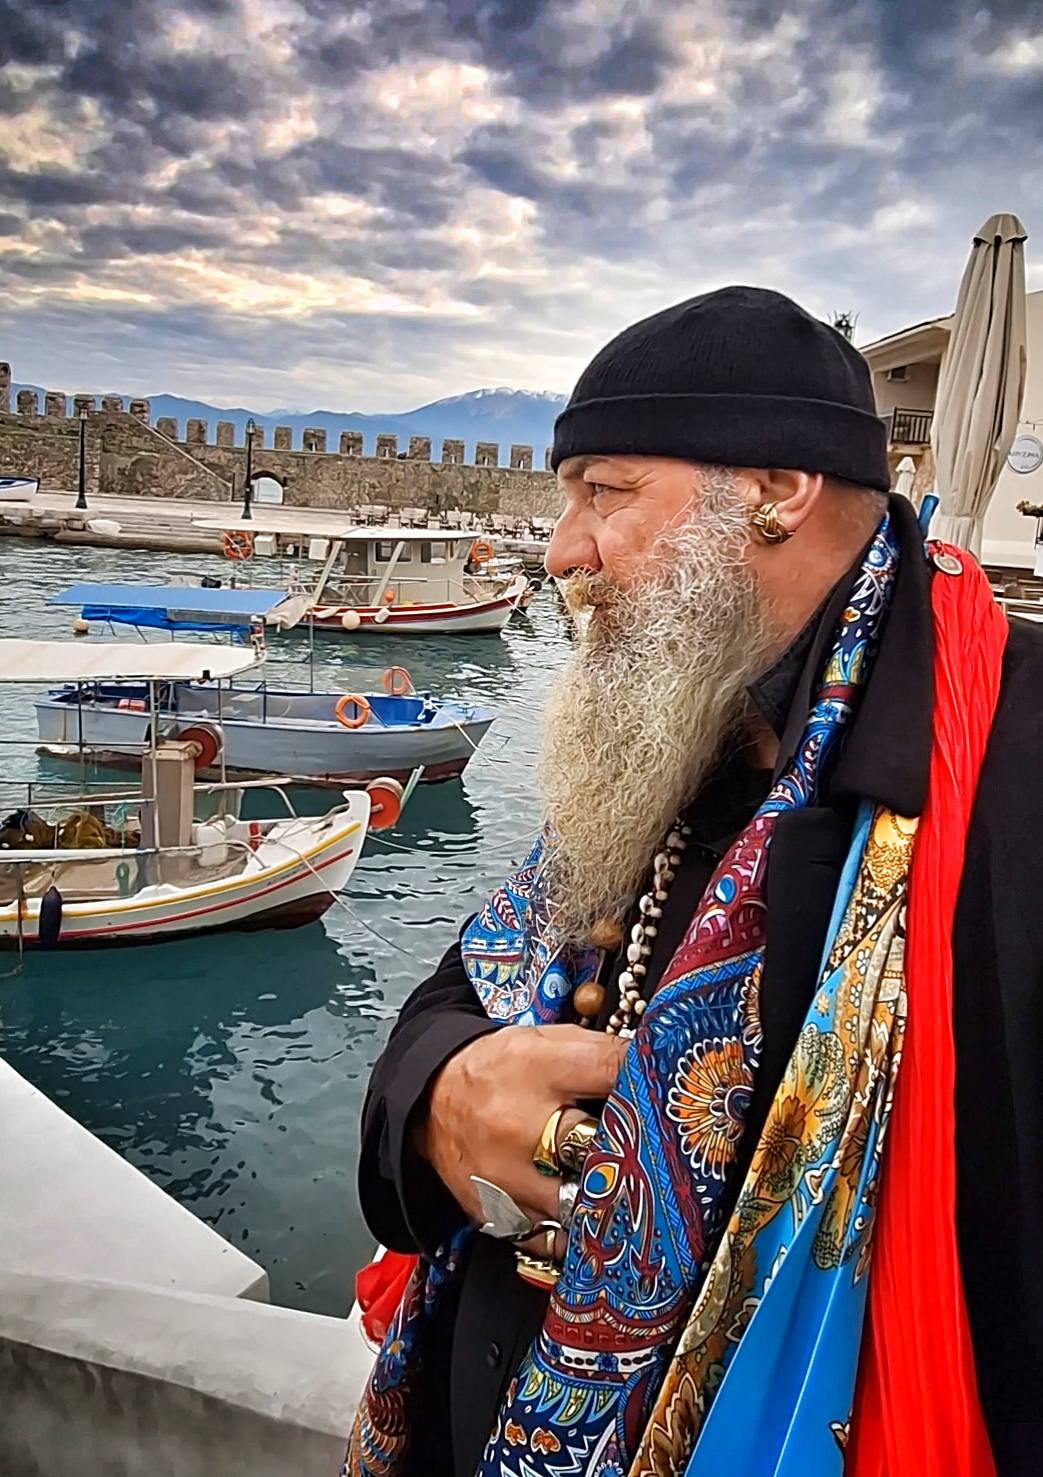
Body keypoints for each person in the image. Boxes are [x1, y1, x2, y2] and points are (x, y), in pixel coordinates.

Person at [351, 287, 1043, 1477]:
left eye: (604, 491)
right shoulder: (674, 718)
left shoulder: (1012, 758)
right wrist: (443, 1097)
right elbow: (459, 998)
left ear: (776, 488)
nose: (561, 550)